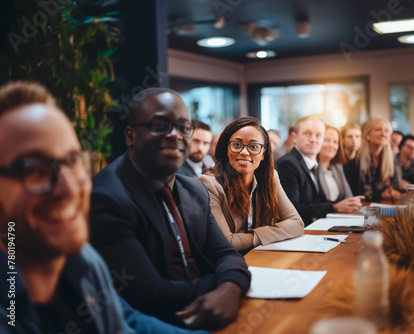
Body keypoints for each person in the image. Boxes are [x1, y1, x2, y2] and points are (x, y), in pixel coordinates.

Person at [0, 81, 209, 334]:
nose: (68, 188)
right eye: (33, 170)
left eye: (72, 160)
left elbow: (125, 323)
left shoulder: (84, 263)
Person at [89, 87, 251, 330]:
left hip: (212, 309)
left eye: (184, 128)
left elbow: (226, 254)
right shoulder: (108, 198)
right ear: (130, 136)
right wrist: (224, 282)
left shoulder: (193, 189)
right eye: (160, 125)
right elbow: (153, 295)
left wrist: (230, 288)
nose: (175, 135)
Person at [199, 117, 304, 252]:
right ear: (227, 149)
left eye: (253, 147)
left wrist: (253, 237)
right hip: (226, 263)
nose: (244, 152)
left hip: (262, 256)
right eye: (237, 145)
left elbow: (296, 224)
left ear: (263, 154)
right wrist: (270, 235)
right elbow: (226, 242)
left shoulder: (270, 177)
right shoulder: (209, 184)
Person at [277, 116, 363, 226]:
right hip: (296, 233)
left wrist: (343, 205)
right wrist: (334, 207)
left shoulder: (312, 163)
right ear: (294, 137)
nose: (313, 139)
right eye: (307, 133)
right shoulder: (288, 164)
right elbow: (293, 209)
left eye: (318, 135)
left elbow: (316, 202)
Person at [344, 118, 401, 201]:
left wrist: (393, 192)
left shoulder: (391, 161)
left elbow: (394, 185)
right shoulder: (354, 163)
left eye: (386, 131)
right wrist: (380, 195)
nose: (383, 134)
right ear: (367, 135)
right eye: (378, 130)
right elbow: (354, 195)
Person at [317, 125, 364, 204]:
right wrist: (336, 207)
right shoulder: (313, 167)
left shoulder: (337, 166)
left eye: (335, 142)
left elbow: (348, 195)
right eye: (327, 140)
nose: (331, 145)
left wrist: (352, 203)